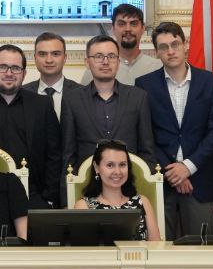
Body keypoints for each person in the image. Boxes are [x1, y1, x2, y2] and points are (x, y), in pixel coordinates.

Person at [137, 22, 213, 240]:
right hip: (161, 181)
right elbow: (146, 136)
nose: (170, 51)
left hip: (200, 180)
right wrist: (174, 172)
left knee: (201, 253)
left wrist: (187, 167)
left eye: (175, 44)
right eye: (163, 47)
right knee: (158, 251)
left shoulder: (210, 81)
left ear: (186, 45)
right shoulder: (144, 85)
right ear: (156, 52)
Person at [0, 44, 62, 207]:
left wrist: (48, 198)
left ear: (24, 73)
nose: (9, 73)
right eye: (3, 67)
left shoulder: (42, 105)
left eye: (15, 68)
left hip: (33, 196)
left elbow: (54, 154)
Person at [61, 34, 156, 170]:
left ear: (118, 62)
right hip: (87, 185)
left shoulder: (138, 97)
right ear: (87, 62)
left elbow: (147, 151)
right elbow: (68, 154)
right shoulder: (72, 100)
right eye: (99, 56)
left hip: (129, 184)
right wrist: (68, 189)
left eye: (111, 56)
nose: (105, 62)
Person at [73, 139, 162, 241]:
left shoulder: (143, 202)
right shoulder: (84, 206)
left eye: (122, 165)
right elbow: (83, 252)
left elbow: (156, 248)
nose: (117, 171)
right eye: (110, 165)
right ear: (96, 167)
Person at [79, 3, 158, 84]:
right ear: (113, 29)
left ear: (142, 29)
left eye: (133, 24)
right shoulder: (96, 70)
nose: (128, 29)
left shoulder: (157, 68)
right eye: (121, 24)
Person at [23, 31, 81, 119]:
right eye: (42, 54)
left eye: (55, 54)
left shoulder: (82, 94)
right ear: (35, 58)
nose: (49, 60)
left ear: (64, 58)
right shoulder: (21, 94)